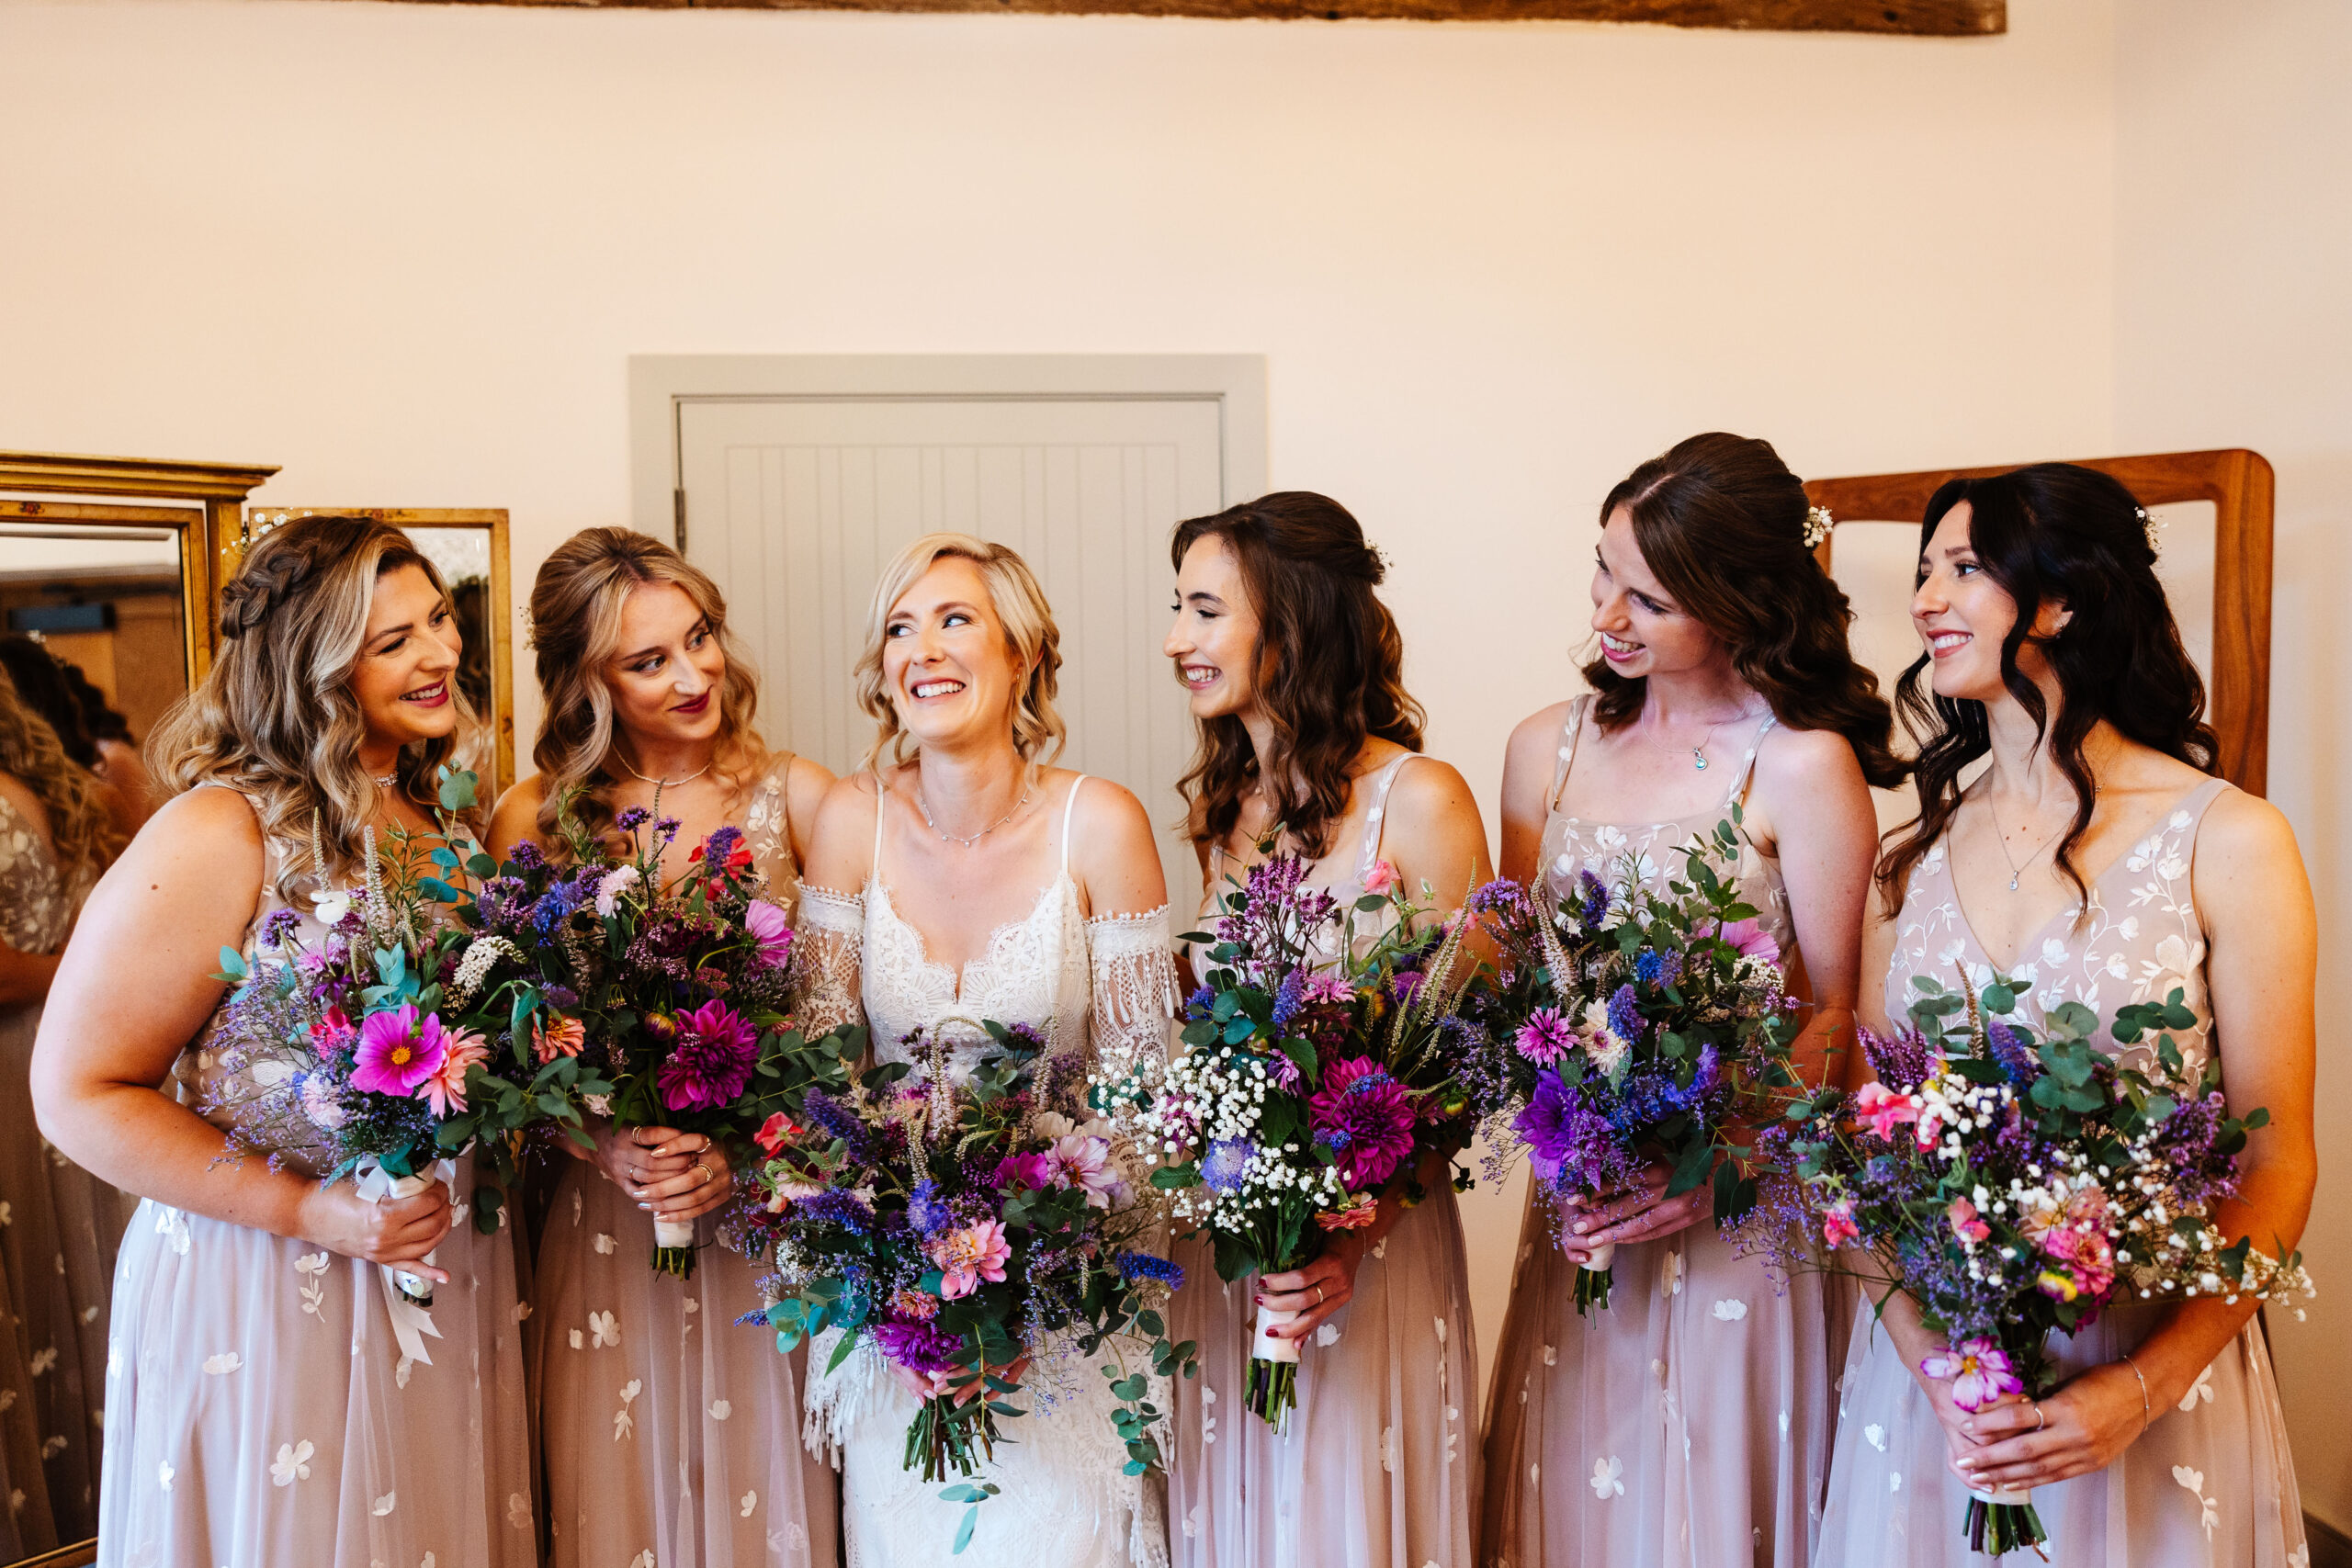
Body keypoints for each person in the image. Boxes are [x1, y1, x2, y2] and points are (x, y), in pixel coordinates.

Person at [1815, 464, 2314, 1566]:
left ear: (2066, 600)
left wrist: (2140, 1389)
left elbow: (2278, 1167)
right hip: (1941, 1409)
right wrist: (1934, 1366)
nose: (1925, 601)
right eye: (1922, 573)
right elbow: (1863, 1155)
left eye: (1964, 569)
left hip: (2145, 1388)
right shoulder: (1908, 863)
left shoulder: (2229, 842)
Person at [30, 514, 535, 1568]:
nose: (442, 653)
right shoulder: (220, 830)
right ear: (313, 662)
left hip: (430, 1267)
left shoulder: (441, 823)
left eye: (438, 620)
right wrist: (308, 1209)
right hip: (266, 1277)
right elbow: (78, 1092)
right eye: (393, 640)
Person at [1480, 434, 1899, 1567]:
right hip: (1581, 1212)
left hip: (1737, 1211)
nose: (1608, 615)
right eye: (1602, 572)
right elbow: (1521, 980)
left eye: (1649, 598)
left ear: (1740, 606)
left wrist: (1714, 1159)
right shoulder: (1543, 751)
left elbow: (1836, 1017)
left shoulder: (1801, 764)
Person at [789, 533, 1179, 1567]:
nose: (925, 647)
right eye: (900, 628)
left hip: (1065, 1313)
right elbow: (817, 1083)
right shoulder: (846, 821)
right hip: (894, 1319)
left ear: (1024, 652)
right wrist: (904, 1303)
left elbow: (1149, 1094)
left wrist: (1034, 1290)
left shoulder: (1099, 825)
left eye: (956, 619)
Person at [488, 526, 839, 1568]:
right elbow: (502, 1050)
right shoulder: (533, 820)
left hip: (760, 1222)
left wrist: (749, 1150)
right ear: (586, 681)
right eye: (649, 662)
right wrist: (599, 1146)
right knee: (613, 1503)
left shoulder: (801, 799)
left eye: (699, 638)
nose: (694, 675)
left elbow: (846, 1032)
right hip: (601, 1222)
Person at [1159, 492, 1493, 1568]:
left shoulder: (1420, 798)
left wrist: (1346, 1242)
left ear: (1291, 621)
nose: (1177, 641)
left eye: (1205, 611)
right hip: (1238, 1265)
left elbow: (1458, 1065)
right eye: (1178, 610)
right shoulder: (1229, 813)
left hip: (1369, 1260)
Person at [0, 663, 119, 1548]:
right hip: (67, 1033)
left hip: (19, 1044)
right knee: (64, 1272)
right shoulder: (49, 785)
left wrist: (63, 971)